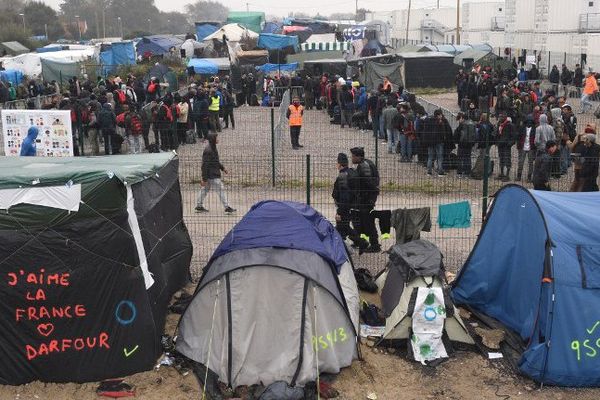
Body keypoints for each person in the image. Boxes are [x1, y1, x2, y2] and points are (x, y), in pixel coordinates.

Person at [332, 153, 369, 253]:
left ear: (339, 164)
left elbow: (345, 196)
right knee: (343, 227)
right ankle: (355, 243)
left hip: (345, 207)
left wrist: (339, 212)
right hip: (353, 206)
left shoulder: (343, 176)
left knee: (342, 226)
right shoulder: (352, 172)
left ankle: (361, 243)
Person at [195, 133, 236, 214]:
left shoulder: (213, 148)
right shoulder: (209, 150)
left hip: (211, 174)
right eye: (217, 138)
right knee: (221, 190)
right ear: (213, 139)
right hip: (212, 175)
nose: (218, 139)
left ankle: (199, 206)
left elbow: (215, 161)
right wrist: (204, 179)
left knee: (205, 190)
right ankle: (227, 207)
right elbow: (204, 165)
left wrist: (223, 168)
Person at [350, 147, 380, 253]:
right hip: (365, 199)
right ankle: (362, 241)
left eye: (353, 156)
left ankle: (375, 245)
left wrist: (369, 197)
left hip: (366, 200)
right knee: (362, 221)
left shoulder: (364, 166)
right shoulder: (365, 164)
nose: (352, 158)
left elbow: (370, 183)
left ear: (359, 157)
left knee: (368, 222)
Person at [422, 110, 449, 176]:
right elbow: (443, 133)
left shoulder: (428, 121)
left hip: (430, 141)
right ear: (438, 115)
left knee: (430, 157)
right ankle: (440, 171)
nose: (441, 116)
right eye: (441, 115)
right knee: (439, 157)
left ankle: (429, 171)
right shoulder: (440, 122)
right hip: (439, 142)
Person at [493, 114, 516, 182]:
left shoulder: (510, 125)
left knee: (507, 159)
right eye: (500, 117)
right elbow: (497, 133)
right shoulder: (499, 125)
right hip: (500, 144)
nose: (500, 118)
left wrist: (510, 144)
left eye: (502, 117)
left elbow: (513, 136)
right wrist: (496, 141)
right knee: (501, 159)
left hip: (506, 145)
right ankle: (502, 173)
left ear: (505, 118)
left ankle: (507, 175)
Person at [454, 112, 476, 178]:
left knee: (460, 158)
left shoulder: (462, 124)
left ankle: (460, 172)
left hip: (462, 144)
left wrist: (456, 141)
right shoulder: (472, 124)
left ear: (462, 118)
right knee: (467, 158)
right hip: (469, 144)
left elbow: (456, 134)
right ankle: (467, 173)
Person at [516, 117, 536, 182]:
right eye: (528, 122)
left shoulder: (534, 129)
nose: (529, 123)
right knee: (521, 162)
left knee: (530, 163)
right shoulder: (522, 128)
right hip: (523, 147)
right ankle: (519, 176)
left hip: (531, 147)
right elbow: (518, 137)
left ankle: (529, 177)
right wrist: (518, 146)